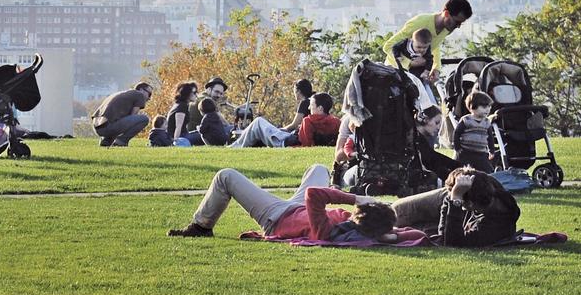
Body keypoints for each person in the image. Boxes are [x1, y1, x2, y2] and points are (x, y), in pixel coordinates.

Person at [168, 164, 423, 245]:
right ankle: (201, 225)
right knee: (319, 168)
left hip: (277, 217)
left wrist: (355, 198)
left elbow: (314, 195)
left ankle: (201, 226)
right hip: (299, 208)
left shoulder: (329, 231)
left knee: (226, 176)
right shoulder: (360, 229)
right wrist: (391, 237)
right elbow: (416, 234)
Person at [391, 167, 519, 247]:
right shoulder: (490, 189)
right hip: (452, 197)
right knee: (395, 213)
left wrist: (455, 198)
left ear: (469, 205)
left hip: (456, 199)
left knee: (407, 228)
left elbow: (449, 241)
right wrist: (455, 196)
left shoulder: (492, 228)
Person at [381, 0, 474, 88]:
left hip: (417, 76)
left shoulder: (447, 29)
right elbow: (388, 46)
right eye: (457, 22)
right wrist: (408, 63)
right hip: (394, 73)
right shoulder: (419, 23)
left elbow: (434, 46)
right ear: (446, 13)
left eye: (461, 23)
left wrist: (436, 68)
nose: (458, 26)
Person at [91, 82, 153, 147]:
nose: (149, 98)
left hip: (97, 127)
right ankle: (121, 141)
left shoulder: (123, 94)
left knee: (119, 119)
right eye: (149, 94)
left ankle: (106, 141)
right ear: (141, 90)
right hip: (107, 126)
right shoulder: (139, 94)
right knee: (144, 119)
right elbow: (133, 117)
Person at [452, 91, 494, 172]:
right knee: (463, 170)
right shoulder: (466, 120)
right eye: (484, 107)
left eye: (489, 107)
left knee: (487, 170)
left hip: (481, 153)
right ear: (472, 106)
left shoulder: (486, 122)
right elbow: (457, 133)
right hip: (466, 152)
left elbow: (490, 137)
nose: (488, 109)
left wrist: (491, 150)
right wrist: (457, 147)